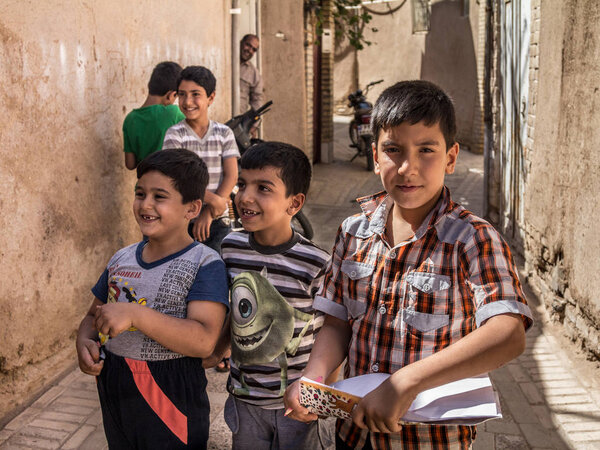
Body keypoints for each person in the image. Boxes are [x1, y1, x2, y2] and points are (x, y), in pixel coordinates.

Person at [283, 80, 534, 449]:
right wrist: (314, 377)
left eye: (426, 150)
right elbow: (338, 323)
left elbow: (508, 334)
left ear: (451, 157)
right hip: (353, 432)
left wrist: (405, 382)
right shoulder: (352, 232)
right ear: (375, 155)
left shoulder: (472, 240)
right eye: (393, 150)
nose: (406, 168)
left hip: (430, 440)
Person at [76, 149, 229, 449]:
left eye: (160, 196)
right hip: (114, 385)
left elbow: (203, 340)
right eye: (140, 193)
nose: (145, 204)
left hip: (168, 393)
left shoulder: (204, 263)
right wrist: (83, 342)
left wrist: (136, 315)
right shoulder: (121, 259)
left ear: (192, 208)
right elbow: (91, 317)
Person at [205, 142, 335, 449]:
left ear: (294, 203)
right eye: (241, 184)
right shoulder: (231, 248)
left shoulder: (315, 262)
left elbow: (333, 329)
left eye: (263, 187)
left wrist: (320, 393)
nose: (244, 196)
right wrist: (215, 350)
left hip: (299, 406)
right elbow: (234, 311)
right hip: (245, 398)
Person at [162, 66, 240, 252]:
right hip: (182, 221)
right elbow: (177, 178)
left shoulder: (224, 133)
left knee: (218, 271)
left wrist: (210, 211)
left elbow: (231, 175)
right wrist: (214, 200)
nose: (188, 102)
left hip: (218, 221)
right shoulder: (175, 134)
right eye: (182, 95)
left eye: (195, 94)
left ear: (210, 98)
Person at [123, 61, 185, 170]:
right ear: (172, 95)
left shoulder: (130, 119)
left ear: (149, 85)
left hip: (143, 184)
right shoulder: (173, 113)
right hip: (168, 184)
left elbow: (130, 164)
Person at [239, 34, 264, 115]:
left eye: (254, 49)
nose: (250, 50)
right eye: (248, 45)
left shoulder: (254, 74)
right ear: (241, 42)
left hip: (235, 123)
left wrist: (253, 126)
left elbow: (257, 101)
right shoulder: (225, 59)